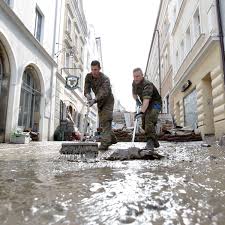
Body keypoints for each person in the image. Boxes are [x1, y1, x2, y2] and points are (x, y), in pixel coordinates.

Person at [84, 60, 117, 150]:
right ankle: (112, 139)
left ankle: (105, 143)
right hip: (99, 102)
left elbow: (103, 93)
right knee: (103, 121)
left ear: (99, 69)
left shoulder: (105, 79)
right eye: (92, 69)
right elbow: (86, 88)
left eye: (96, 69)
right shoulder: (88, 76)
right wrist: (88, 95)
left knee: (106, 120)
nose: (94, 72)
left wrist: (94, 100)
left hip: (108, 101)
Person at [132, 68, 162, 151]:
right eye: (134, 76)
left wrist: (141, 112)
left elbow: (146, 100)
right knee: (144, 125)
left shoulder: (147, 84)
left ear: (142, 75)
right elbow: (134, 94)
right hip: (146, 104)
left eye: (138, 76)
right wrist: (137, 100)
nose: (136, 78)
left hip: (155, 103)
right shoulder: (134, 83)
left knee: (149, 120)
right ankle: (154, 141)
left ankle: (150, 143)